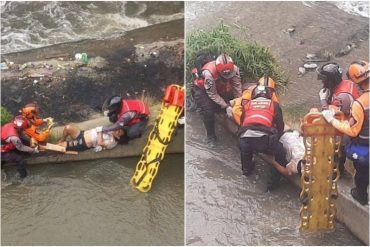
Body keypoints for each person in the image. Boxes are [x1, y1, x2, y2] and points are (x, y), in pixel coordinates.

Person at [322, 60, 369, 205]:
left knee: (361, 171)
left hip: (364, 143)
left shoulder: (360, 103)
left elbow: (353, 130)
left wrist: (332, 120)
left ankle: (360, 194)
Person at [317, 62, 360, 175]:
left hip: (344, 131)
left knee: (336, 153)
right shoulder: (347, 83)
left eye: (325, 80)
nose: (323, 82)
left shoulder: (342, 98)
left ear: (331, 80)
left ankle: (336, 172)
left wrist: (323, 101)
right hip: (349, 123)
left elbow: (328, 116)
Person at [192, 53, 242, 147]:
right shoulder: (209, 73)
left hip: (219, 87)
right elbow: (212, 94)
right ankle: (211, 136)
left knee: (227, 102)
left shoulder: (235, 69)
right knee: (208, 111)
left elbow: (237, 86)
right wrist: (226, 106)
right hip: (202, 90)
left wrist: (238, 102)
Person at [238, 84, 284, 177]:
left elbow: (242, 123)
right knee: (281, 151)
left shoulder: (247, 105)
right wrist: (276, 139)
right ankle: (276, 178)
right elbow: (280, 126)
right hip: (264, 141)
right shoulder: (274, 105)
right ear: (268, 95)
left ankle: (246, 170)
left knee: (246, 162)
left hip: (244, 140)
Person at [57, 125, 124, 152]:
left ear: (118, 137)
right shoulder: (111, 131)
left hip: (82, 143)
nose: (116, 130)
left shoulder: (111, 142)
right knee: (67, 128)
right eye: (118, 129)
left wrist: (99, 130)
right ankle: (61, 140)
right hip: (82, 134)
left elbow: (100, 143)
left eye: (118, 131)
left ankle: (58, 145)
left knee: (58, 146)